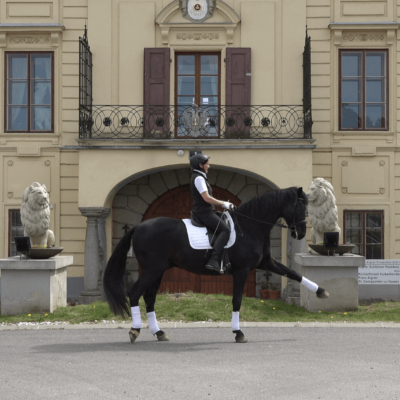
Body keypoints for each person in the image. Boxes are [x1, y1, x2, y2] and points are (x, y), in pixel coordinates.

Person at [189, 154, 236, 272]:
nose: (209, 166)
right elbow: (207, 198)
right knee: (225, 230)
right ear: (201, 165)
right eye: (207, 164)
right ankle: (214, 260)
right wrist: (223, 203)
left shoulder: (200, 177)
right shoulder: (199, 178)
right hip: (203, 212)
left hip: (206, 211)